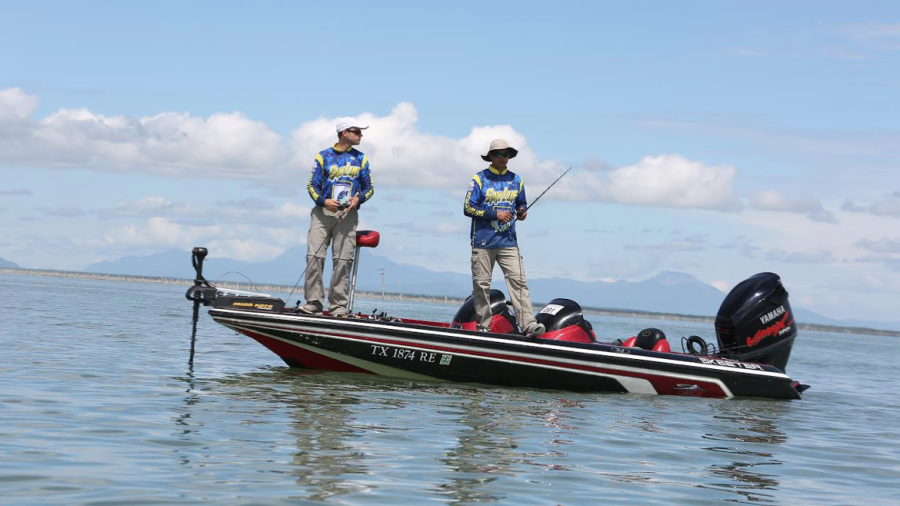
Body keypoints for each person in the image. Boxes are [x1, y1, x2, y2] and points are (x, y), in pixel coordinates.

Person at [464, 139, 545, 336]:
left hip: (509, 242)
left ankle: (528, 324)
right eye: (498, 154)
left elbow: (521, 203)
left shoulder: (517, 179)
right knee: (482, 285)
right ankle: (483, 326)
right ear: (490, 156)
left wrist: (523, 212)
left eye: (505, 154)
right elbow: (468, 208)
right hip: (483, 242)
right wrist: (495, 214)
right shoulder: (479, 178)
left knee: (518, 282)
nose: (502, 158)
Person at [298, 118, 375, 316]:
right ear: (344, 132)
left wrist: (359, 200)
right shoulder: (323, 156)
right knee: (314, 256)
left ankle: (338, 306)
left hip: (347, 215)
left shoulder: (361, 158)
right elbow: (311, 186)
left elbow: (369, 188)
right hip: (323, 213)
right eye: (357, 131)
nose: (360, 135)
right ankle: (314, 302)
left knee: (343, 260)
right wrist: (324, 202)